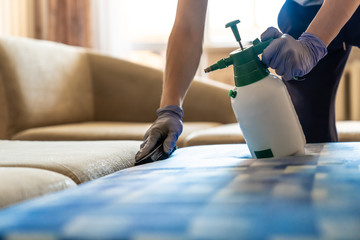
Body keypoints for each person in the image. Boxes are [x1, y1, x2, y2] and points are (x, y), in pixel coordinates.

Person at [135, 0, 360, 163]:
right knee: (305, 139)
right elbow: (187, 26)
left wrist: (313, 44)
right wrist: (169, 109)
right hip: (305, 9)